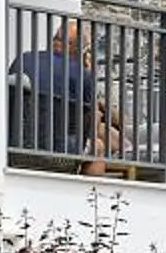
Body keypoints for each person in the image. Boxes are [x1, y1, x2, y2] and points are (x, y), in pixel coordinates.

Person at [8, 21, 123, 175]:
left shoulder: (24, 59)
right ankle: (89, 195)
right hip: (60, 155)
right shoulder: (83, 76)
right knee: (98, 146)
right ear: (79, 49)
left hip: (16, 146)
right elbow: (88, 125)